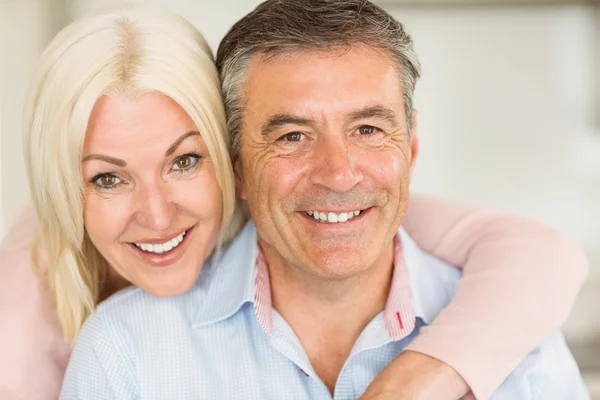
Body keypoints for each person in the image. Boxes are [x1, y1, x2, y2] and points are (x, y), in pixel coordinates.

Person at [58, 2, 589, 399]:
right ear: (237, 166)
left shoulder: (523, 354)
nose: (338, 174)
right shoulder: (127, 352)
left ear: (412, 146)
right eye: (292, 136)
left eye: (367, 128)